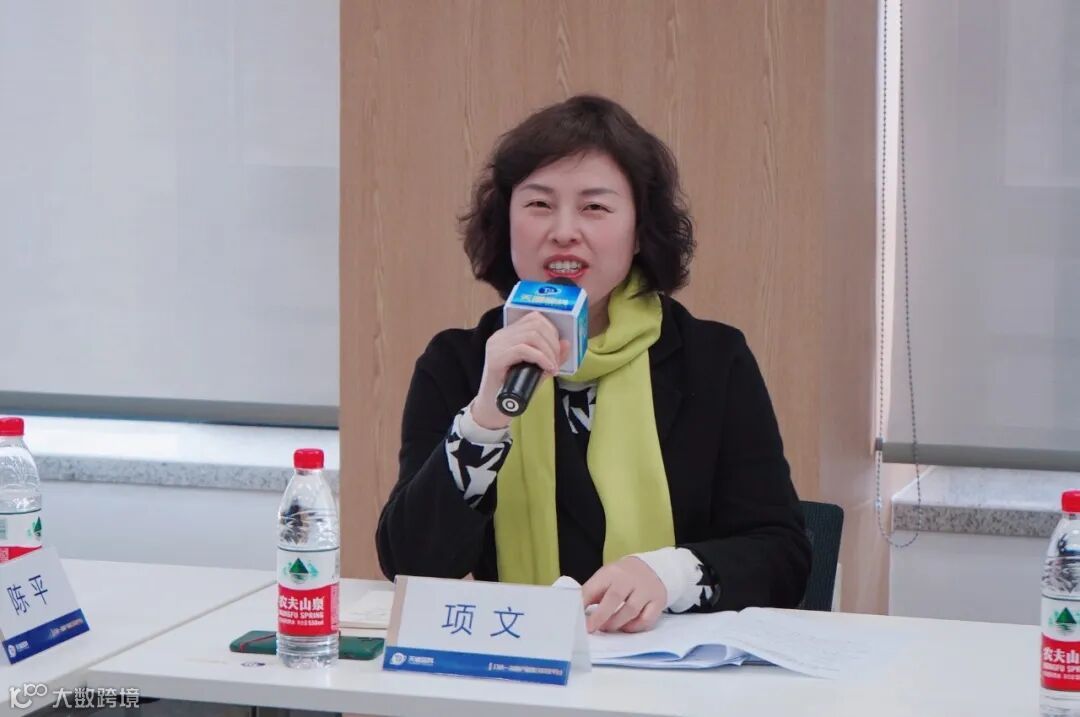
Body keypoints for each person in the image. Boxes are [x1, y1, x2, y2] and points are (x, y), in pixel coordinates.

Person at [376, 95, 810, 634]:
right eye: (539, 204)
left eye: (594, 208)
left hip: (666, 665)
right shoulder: (461, 363)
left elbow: (783, 556)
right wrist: (485, 419)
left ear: (639, 229)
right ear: (506, 222)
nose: (563, 231)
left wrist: (668, 573)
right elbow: (411, 565)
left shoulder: (713, 360)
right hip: (517, 656)